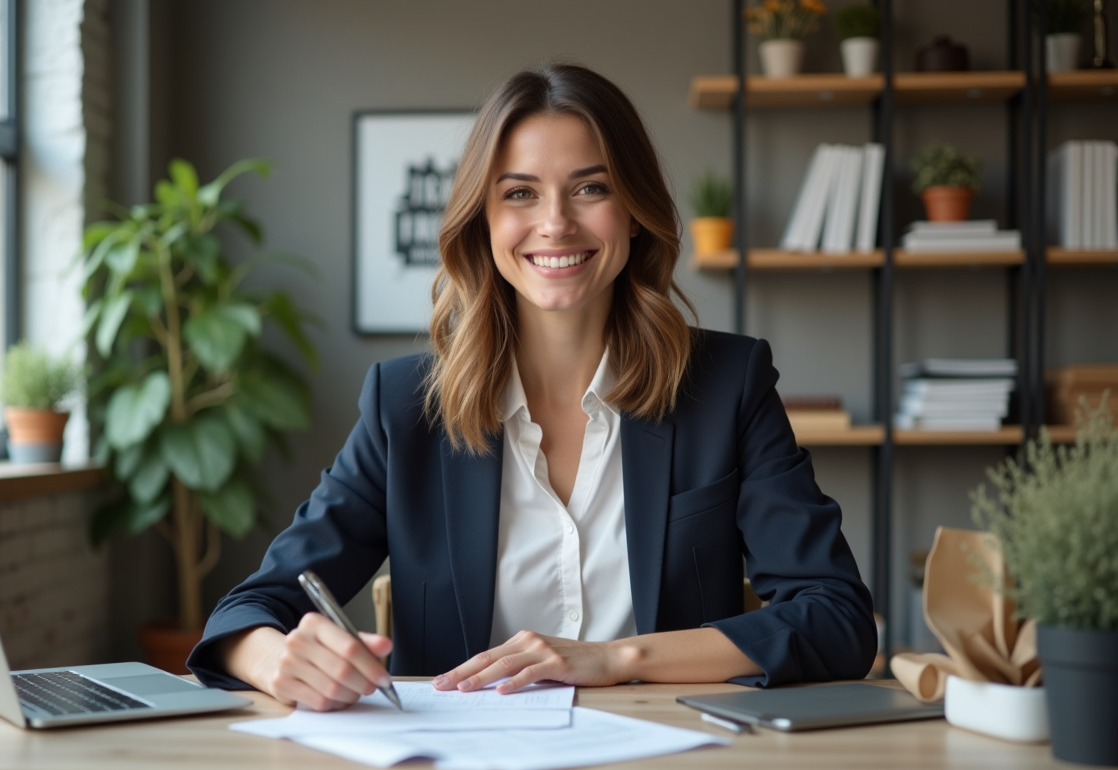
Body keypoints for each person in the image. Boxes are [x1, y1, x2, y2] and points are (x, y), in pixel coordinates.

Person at [187, 63, 876, 711]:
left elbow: (837, 617)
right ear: (482, 223)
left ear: (634, 212)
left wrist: (613, 657)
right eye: (519, 193)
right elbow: (253, 608)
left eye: (591, 188)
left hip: (669, 760)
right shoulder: (404, 407)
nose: (556, 223)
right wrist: (277, 661)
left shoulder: (727, 385)